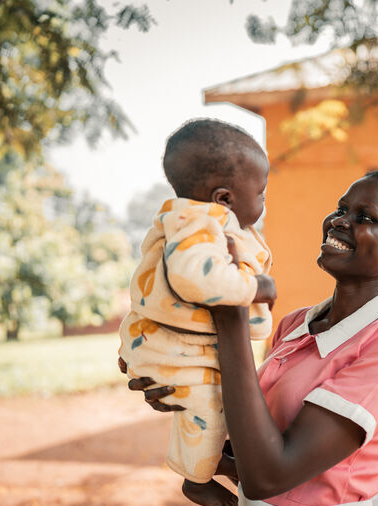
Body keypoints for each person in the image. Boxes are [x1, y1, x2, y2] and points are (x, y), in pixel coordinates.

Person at [123, 168, 378, 505]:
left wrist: (231, 312)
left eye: (365, 217)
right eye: (341, 208)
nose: (338, 221)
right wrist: (185, 387)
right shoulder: (294, 325)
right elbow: (256, 445)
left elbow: (270, 476)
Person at [118, 118, 277, 504]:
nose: (263, 203)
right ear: (224, 198)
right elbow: (196, 279)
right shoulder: (200, 226)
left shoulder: (201, 222)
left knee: (217, 405)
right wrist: (254, 286)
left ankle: (214, 459)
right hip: (171, 347)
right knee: (209, 404)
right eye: (260, 193)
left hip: (173, 342)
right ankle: (197, 480)